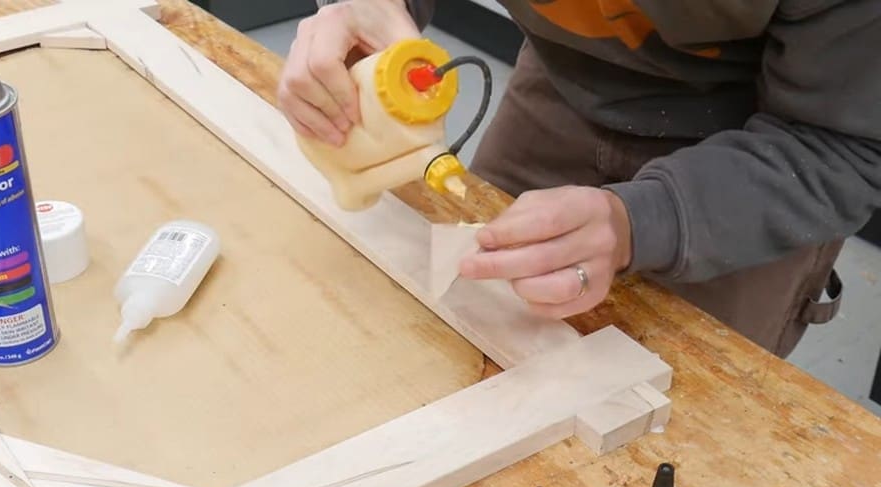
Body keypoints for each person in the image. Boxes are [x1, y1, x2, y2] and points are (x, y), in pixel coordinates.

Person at [277, 0, 881, 357]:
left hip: (773, 146)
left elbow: (845, 143)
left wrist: (642, 221)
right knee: (461, 327)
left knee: (672, 420)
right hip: (568, 77)